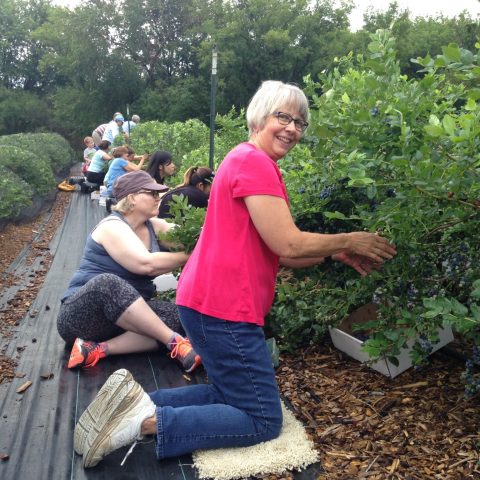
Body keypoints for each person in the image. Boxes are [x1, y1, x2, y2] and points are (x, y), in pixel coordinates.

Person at [75, 80, 396, 469]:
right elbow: (289, 244)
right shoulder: (254, 163)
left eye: (300, 121)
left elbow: (282, 252)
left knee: (229, 393)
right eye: (283, 116)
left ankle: (129, 403)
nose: (292, 128)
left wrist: (334, 253)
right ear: (259, 117)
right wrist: (351, 238)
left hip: (209, 303)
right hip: (224, 308)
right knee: (261, 419)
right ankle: (142, 422)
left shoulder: (248, 160)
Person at [57, 170, 202, 375]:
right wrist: (194, 255)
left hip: (124, 321)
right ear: (132, 198)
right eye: (152, 193)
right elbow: (146, 264)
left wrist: (206, 237)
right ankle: (175, 343)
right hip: (81, 317)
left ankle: (96, 350)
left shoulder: (153, 226)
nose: (158, 198)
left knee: (180, 317)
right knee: (107, 283)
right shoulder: (111, 227)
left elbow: (190, 239)